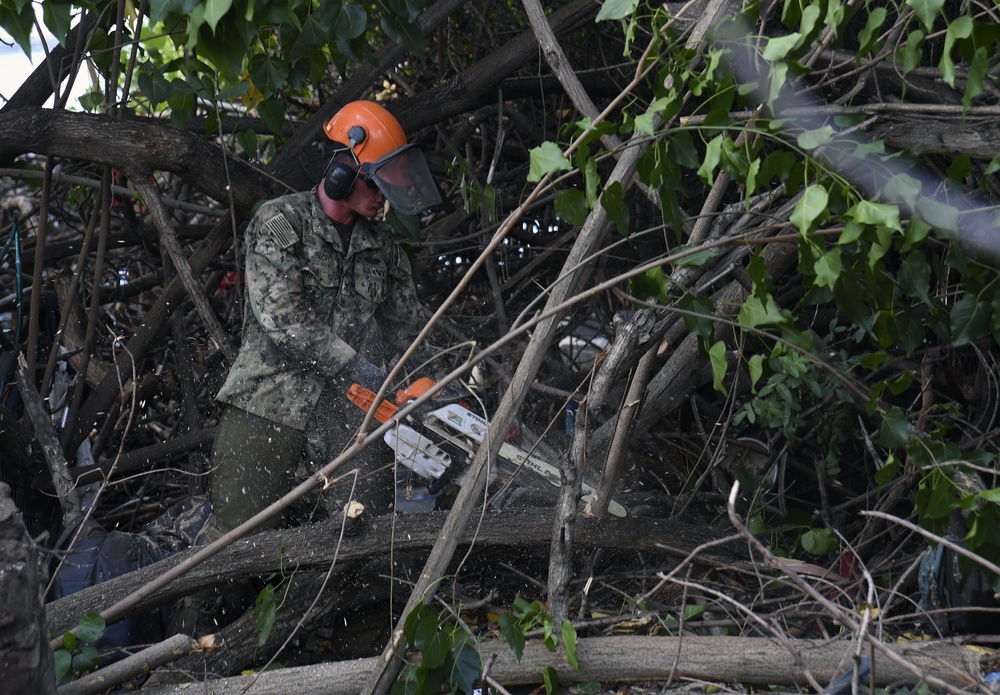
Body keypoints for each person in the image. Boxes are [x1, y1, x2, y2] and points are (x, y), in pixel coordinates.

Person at [206, 100, 442, 540]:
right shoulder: (279, 223)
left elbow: (413, 333)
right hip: (270, 405)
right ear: (341, 172)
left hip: (348, 414)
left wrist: (442, 386)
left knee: (360, 536)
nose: (382, 196)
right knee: (232, 542)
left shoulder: (384, 252)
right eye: (376, 182)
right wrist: (357, 365)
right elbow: (284, 319)